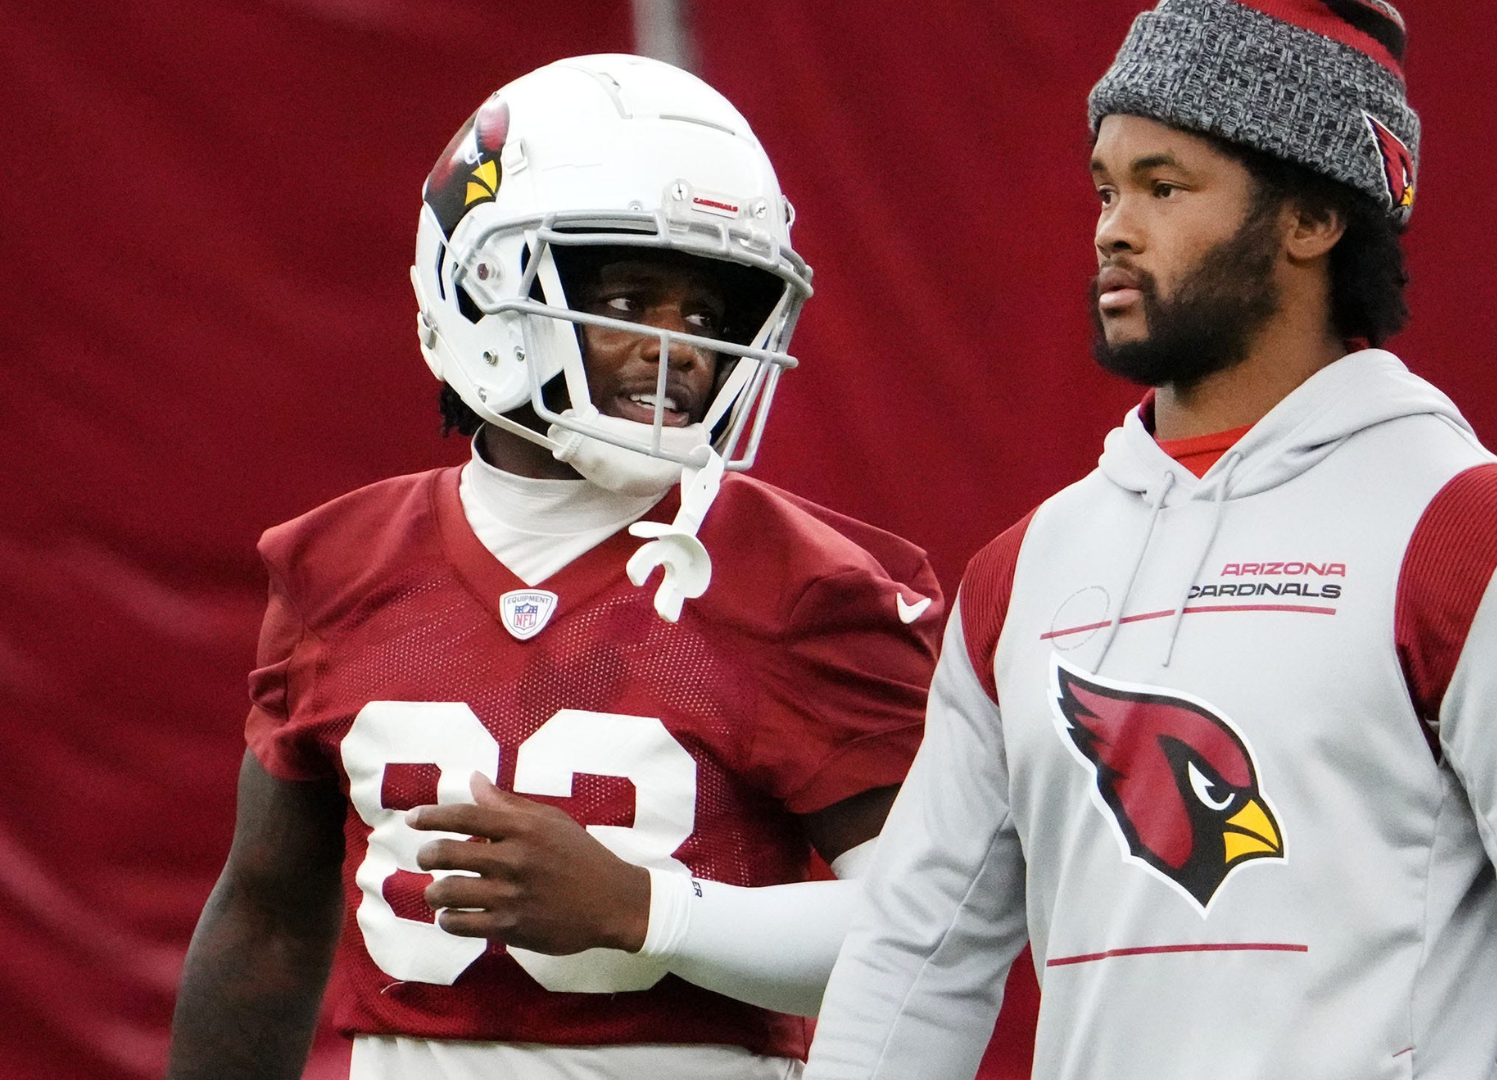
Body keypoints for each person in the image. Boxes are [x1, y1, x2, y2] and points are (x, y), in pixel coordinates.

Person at [805, 3, 1497, 1078]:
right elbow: (913, 959)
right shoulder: (1022, 571)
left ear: (1312, 219)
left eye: (1165, 186)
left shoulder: (1474, 540)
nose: (1111, 229)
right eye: (1106, 186)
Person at [166, 55, 942, 1080]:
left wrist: (646, 911)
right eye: (629, 295)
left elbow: (932, 936)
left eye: (706, 317)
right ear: (480, 289)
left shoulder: (806, 582)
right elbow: (267, 920)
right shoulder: (338, 565)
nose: (678, 351)